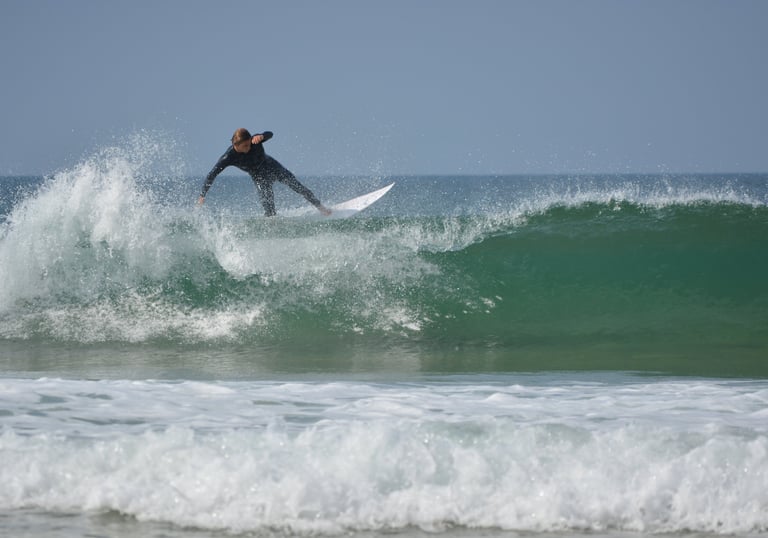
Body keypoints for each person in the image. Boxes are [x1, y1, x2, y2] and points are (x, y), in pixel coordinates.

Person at [198, 128, 331, 217]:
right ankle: (273, 226)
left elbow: (270, 134)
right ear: (235, 145)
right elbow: (212, 174)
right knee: (268, 205)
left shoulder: (254, 141)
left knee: (297, 186)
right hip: (259, 177)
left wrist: (261, 136)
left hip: (272, 167)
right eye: (245, 146)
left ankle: (321, 208)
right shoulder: (228, 157)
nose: (248, 147)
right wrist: (203, 195)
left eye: (249, 144)